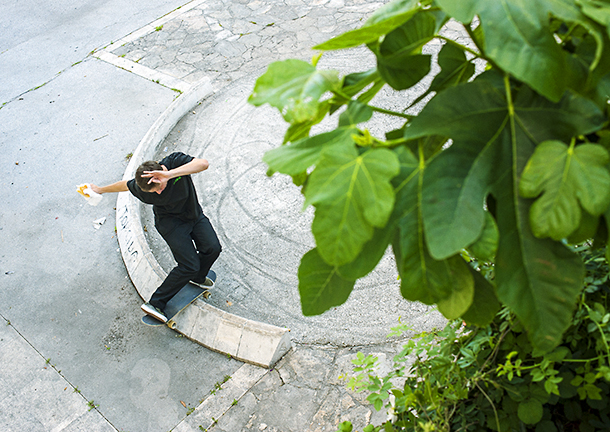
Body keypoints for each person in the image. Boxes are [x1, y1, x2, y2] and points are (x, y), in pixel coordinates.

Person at [91, 152, 221, 323]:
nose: (159, 193)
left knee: (213, 248)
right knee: (188, 265)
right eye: (154, 192)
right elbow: (124, 185)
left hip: (194, 216)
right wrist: (100, 190)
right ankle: (156, 303)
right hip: (171, 225)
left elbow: (203, 164)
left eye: (160, 187)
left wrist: (169, 174)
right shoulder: (142, 188)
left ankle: (197, 277)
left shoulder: (174, 162)